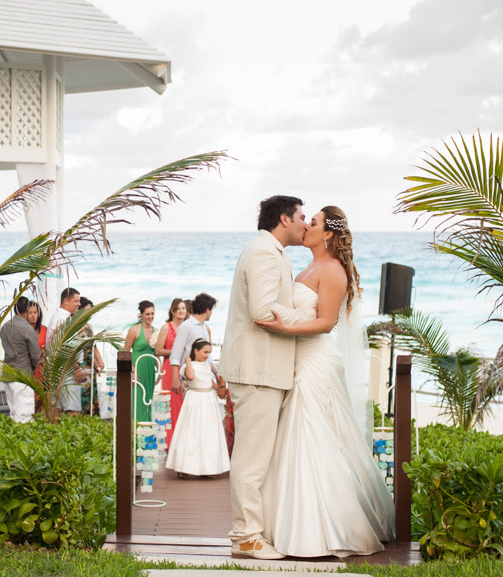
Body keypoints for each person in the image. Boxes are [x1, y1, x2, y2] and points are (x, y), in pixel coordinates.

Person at [255, 205, 395, 557]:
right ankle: (293, 524)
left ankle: (323, 529)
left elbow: (326, 322)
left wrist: (286, 327)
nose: (306, 227)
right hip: (298, 358)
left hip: (316, 360)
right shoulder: (308, 266)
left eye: (313, 223)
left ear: (328, 234)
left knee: (311, 434)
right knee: (296, 436)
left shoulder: (332, 270)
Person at [218, 195, 305, 560]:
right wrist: (308, 316)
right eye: (301, 217)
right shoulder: (264, 253)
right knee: (251, 458)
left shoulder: (271, 251)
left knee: (257, 457)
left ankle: (252, 532)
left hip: (264, 369)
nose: (304, 223)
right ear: (284, 218)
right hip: (257, 370)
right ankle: (246, 536)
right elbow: (261, 310)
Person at [166, 339, 231, 478]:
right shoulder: (187, 366)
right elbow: (190, 376)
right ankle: (185, 467)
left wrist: (220, 389)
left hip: (208, 400)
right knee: (192, 431)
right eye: (205, 352)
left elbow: (209, 380)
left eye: (209, 353)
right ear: (196, 351)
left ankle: (209, 468)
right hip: (195, 399)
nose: (207, 355)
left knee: (209, 432)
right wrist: (188, 360)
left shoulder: (207, 365)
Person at [1, 297, 42, 423]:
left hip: (8, 374)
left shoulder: (5, 327)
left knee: (14, 413)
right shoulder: (27, 328)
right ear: (27, 309)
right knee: (25, 416)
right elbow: (36, 355)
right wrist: (35, 366)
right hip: (22, 375)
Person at [45, 287, 85, 414]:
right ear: (66, 301)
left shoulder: (58, 317)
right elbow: (66, 348)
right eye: (76, 301)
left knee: (58, 409)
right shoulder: (64, 320)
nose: (79, 304)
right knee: (73, 409)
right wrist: (76, 368)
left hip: (57, 368)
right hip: (67, 369)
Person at [170, 293, 220, 383]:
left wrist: (215, 373)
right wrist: (175, 380)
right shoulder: (186, 326)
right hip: (191, 375)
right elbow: (175, 354)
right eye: (212, 310)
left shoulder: (204, 327)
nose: (211, 313)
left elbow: (207, 355)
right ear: (207, 310)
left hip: (206, 375)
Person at [154, 298, 188, 423]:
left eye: (183, 308)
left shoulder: (188, 327)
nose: (181, 311)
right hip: (169, 368)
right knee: (171, 401)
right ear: (172, 311)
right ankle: (170, 437)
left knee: (185, 402)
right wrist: (176, 353)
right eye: (178, 308)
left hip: (185, 368)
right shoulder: (166, 327)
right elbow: (158, 351)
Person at [123, 301, 157, 422]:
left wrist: (160, 371)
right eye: (147, 314)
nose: (150, 317)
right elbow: (125, 352)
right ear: (141, 314)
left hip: (150, 370)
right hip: (137, 369)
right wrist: (133, 371)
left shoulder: (156, 331)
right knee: (137, 400)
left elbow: (156, 354)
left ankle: (146, 431)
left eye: (152, 313)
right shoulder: (134, 330)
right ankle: (136, 428)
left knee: (149, 399)